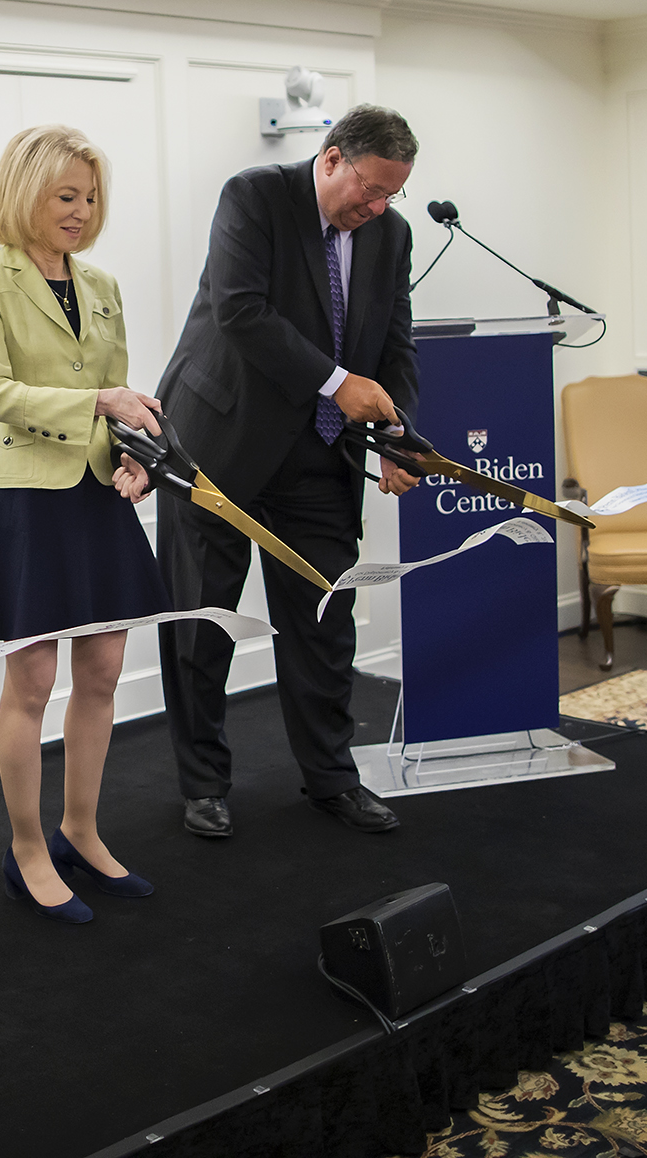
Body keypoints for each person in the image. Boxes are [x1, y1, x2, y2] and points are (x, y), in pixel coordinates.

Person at [154, 105, 422, 840]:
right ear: (332, 158)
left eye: (390, 196)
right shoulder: (256, 196)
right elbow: (242, 313)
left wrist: (399, 434)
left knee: (325, 625)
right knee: (202, 627)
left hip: (319, 458)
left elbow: (395, 344)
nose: (376, 208)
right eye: (369, 189)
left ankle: (332, 778)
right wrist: (339, 383)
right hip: (218, 444)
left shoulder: (390, 235)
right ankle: (204, 784)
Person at [0, 125, 170, 924]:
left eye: (90, 197)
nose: (81, 211)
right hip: (27, 498)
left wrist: (135, 456)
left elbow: (120, 396)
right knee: (33, 683)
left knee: (104, 673)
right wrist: (99, 406)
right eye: (65, 196)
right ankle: (28, 849)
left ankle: (80, 830)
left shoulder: (102, 283)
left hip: (98, 494)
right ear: (25, 194)